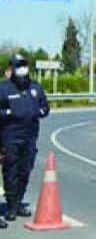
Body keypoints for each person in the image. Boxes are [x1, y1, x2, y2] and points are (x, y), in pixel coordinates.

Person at [0, 54, 49, 227]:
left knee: (25, 169)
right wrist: (8, 113)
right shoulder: (4, 88)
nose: (22, 68)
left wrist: (37, 112)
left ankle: (19, 201)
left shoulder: (35, 87)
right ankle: (11, 205)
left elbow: (45, 108)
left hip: (30, 137)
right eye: (18, 65)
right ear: (12, 68)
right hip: (10, 137)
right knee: (11, 171)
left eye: (24, 65)